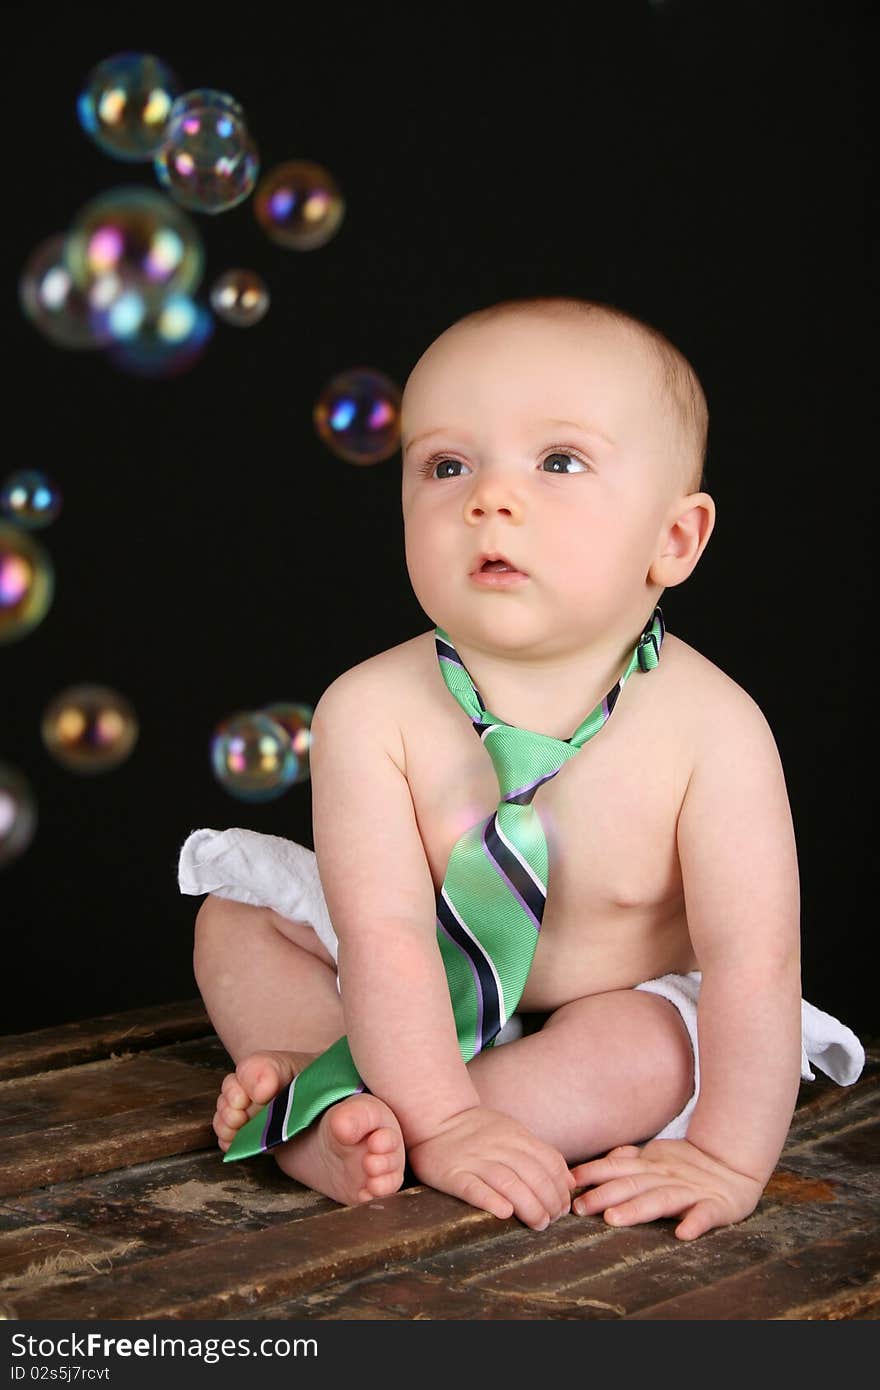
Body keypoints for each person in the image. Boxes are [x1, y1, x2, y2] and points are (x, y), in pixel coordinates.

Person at [181, 296, 864, 1241]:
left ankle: (346, 1119)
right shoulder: (369, 709)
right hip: (407, 989)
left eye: (559, 462)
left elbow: (756, 965)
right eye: (447, 465)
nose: (488, 498)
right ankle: (319, 1073)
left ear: (675, 540)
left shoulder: (715, 729)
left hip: (601, 1015)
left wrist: (726, 1159)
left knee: (654, 1047)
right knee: (239, 921)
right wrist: (443, 1116)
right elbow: (383, 939)